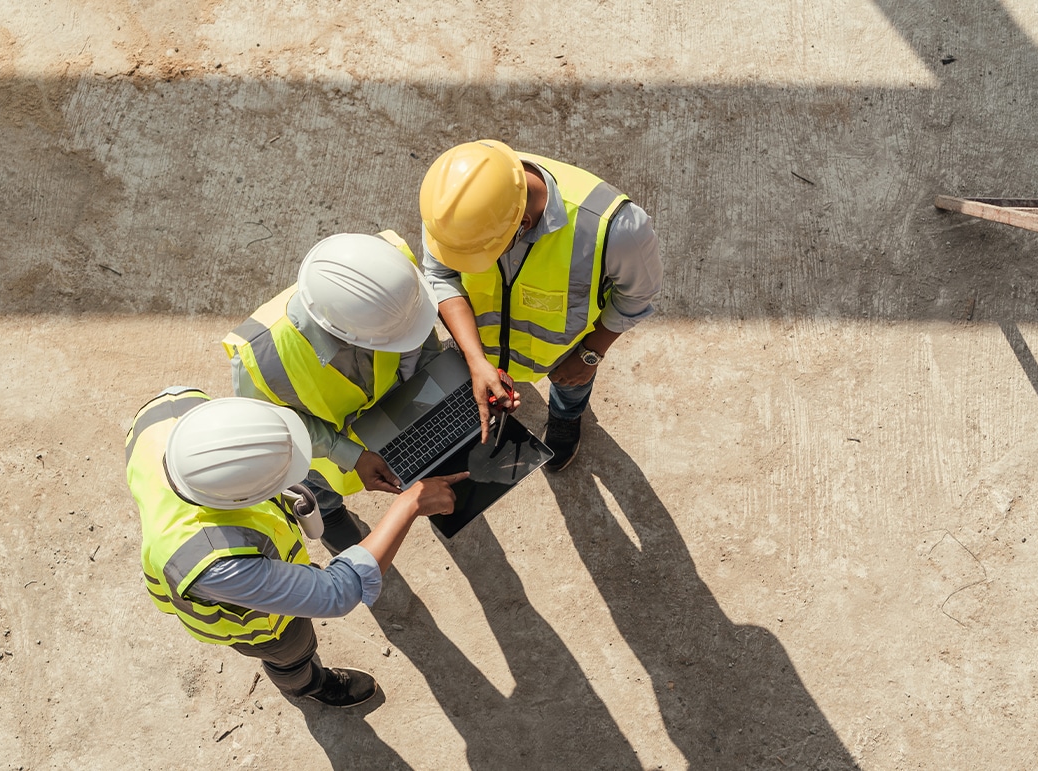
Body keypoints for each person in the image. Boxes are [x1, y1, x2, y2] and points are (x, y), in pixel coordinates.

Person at [125, 389, 465, 707]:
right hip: (260, 622)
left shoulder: (173, 408)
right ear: (241, 499)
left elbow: (265, 437)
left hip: (236, 561)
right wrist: (409, 505)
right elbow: (338, 592)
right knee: (291, 651)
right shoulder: (216, 563)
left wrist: (344, 456)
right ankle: (306, 684)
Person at [418, 140, 662, 471]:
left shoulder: (618, 229)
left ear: (523, 226)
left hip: (564, 354)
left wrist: (590, 356)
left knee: (570, 387)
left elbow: (636, 296)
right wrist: (476, 360)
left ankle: (566, 417)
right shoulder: (453, 205)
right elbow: (439, 273)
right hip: (482, 346)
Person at [222, 232, 440, 554]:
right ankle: (331, 513)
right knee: (318, 492)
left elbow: (418, 337)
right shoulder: (262, 357)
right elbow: (279, 428)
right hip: (324, 460)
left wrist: (447, 381)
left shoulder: (391, 276)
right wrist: (352, 456)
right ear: (349, 336)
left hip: (394, 419)